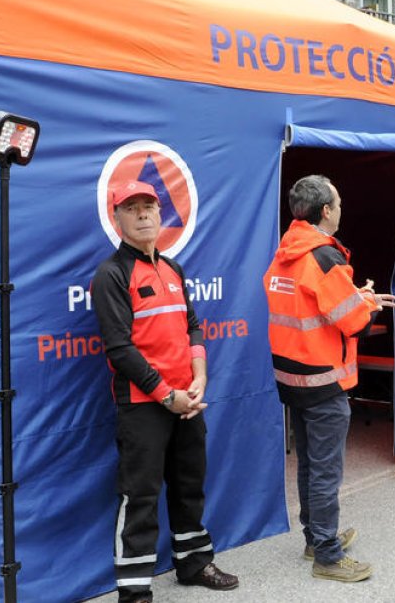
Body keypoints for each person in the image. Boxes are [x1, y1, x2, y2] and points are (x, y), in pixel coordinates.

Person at [92, 181, 239, 602]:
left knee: (189, 484)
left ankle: (193, 563)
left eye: (149, 207)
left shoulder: (173, 268)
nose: (142, 215)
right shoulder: (111, 274)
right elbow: (120, 349)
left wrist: (199, 377)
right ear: (117, 218)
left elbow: (192, 325)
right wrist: (165, 394)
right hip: (144, 405)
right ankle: (134, 590)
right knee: (139, 495)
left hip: (187, 399)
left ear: (161, 214)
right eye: (132, 208)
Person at [264, 175, 395, 582]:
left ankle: (314, 537)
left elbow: (315, 305)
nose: (341, 209)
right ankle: (327, 554)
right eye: (338, 203)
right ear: (326, 211)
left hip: (292, 376)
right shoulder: (324, 258)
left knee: (309, 464)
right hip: (323, 380)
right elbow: (352, 323)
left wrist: (357, 295)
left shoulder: (287, 251)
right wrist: (368, 302)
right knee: (325, 470)